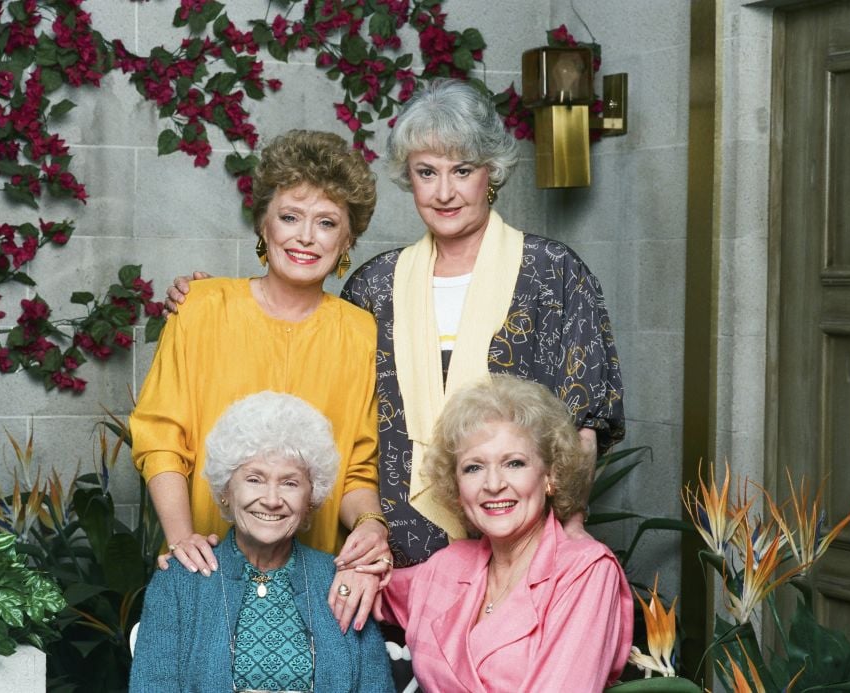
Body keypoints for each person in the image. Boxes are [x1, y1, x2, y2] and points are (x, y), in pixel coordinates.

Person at [166, 78, 624, 568]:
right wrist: (207, 303)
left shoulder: (552, 273)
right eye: (426, 172)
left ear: (490, 171)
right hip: (395, 557)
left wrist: (570, 526)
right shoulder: (375, 286)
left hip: (523, 547)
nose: (444, 192)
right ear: (409, 178)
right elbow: (325, 400)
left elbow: (584, 422)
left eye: (462, 170)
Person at [130, 130, 392, 632]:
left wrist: (370, 525)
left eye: (326, 223)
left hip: (316, 585)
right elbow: (160, 439)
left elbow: (357, 468)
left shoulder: (361, 333)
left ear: (347, 241)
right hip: (206, 569)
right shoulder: (201, 308)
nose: (305, 237)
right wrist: (183, 542)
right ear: (263, 224)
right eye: (290, 217)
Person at [376, 375, 633, 691]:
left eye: (514, 463)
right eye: (473, 468)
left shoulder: (585, 571)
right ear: (457, 487)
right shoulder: (447, 566)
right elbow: (371, 589)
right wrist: (359, 559)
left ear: (550, 476)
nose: (494, 484)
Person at [130, 392, 395, 692]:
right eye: (254, 479)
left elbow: (375, 686)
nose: (271, 500)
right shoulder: (179, 582)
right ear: (226, 490)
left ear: (310, 497)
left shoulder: (342, 582)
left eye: (290, 483)